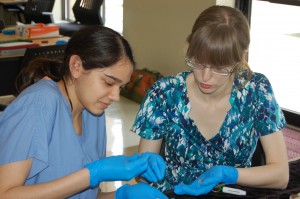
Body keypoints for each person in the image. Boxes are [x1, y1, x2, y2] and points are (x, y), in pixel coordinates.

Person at [132, 5, 289, 196]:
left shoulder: (257, 91)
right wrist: (143, 172)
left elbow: (280, 175)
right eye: (197, 62)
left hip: (231, 193)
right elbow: (143, 173)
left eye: (219, 67)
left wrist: (230, 174)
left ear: (239, 58)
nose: (205, 77)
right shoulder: (164, 93)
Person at [0, 26, 168, 199]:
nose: (115, 96)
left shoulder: (93, 113)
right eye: (109, 83)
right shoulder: (38, 105)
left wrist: (120, 195)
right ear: (76, 66)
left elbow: (85, 195)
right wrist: (93, 174)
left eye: (121, 87)